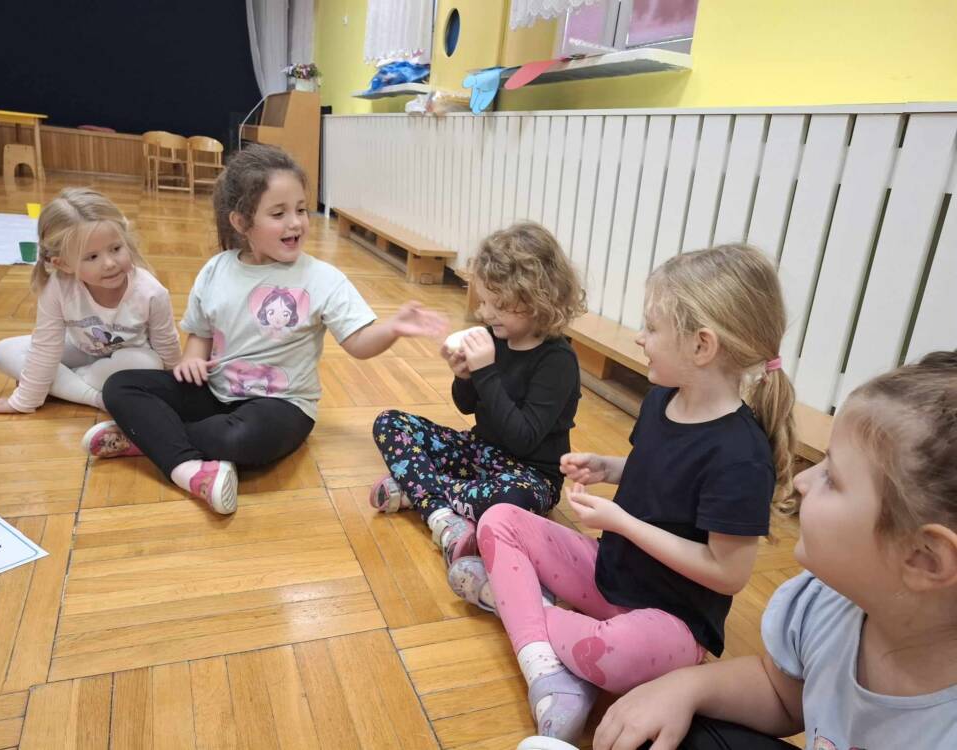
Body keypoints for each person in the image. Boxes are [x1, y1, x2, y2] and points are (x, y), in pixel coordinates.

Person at [451, 245, 797, 742]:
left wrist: (622, 523)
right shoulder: (662, 400)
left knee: (617, 656)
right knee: (499, 519)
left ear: (701, 346)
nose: (639, 338)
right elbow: (657, 471)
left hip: (668, 621)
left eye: (652, 328)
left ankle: (512, 602)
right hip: (609, 572)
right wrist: (607, 467)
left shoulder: (741, 455)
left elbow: (728, 573)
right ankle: (546, 664)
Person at [592, 350, 957, 750]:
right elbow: (782, 695)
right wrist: (685, 686)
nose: (802, 480)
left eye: (832, 478)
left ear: (925, 558)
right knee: (668, 732)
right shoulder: (825, 604)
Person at [87, 144, 447, 514]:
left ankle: (150, 437)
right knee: (120, 386)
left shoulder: (322, 278)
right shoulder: (216, 269)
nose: (296, 222)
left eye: (301, 209)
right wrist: (191, 360)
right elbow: (200, 334)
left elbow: (358, 342)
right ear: (241, 223)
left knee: (240, 438)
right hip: (215, 392)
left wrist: (393, 328)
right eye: (279, 213)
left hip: (282, 406)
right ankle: (176, 453)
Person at [369, 222, 586, 565]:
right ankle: (441, 511)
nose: (484, 313)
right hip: (478, 452)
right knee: (389, 423)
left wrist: (485, 372)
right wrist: (465, 377)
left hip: (528, 474)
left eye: (497, 304)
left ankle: (421, 490)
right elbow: (466, 405)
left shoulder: (558, 361)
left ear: (536, 301)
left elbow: (522, 439)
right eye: (483, 301)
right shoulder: (494, 336)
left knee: (511, 500)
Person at [0, 188, 180, 415]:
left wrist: (177, 390)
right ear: (63, 264)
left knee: (149, 365)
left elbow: (167, 347)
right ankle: (95, 398)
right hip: (80, 350)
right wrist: (24, 401)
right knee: (4, 351)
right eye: (92, 257)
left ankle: (65, 384)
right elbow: (46, 347)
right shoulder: (57, 287)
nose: (109, 263)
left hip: (127, 359)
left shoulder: (151, 292)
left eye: (116, 249)